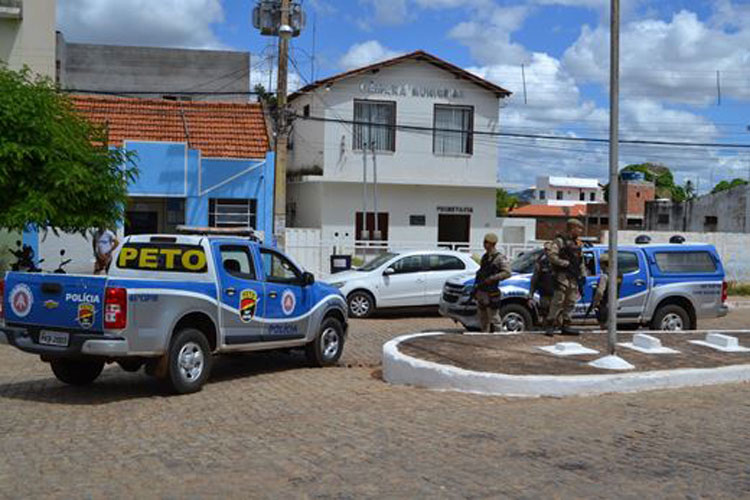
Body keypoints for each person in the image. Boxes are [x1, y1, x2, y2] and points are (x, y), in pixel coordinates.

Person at [545, 219, 587, 336]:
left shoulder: (577, 243)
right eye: (578, 228)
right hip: (562, 276)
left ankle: (566, 325)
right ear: (572, 228)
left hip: (574, 277)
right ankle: (550, 325)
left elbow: (581, 261)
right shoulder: (559, 241)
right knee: (558, 301)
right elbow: (552, 256)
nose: (580, 231)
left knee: (571, 301)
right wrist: (565, 263)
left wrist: (583, 274)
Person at [473, 233, 512, 333]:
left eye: (486, 242)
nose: (484, 244)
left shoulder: (499, 258)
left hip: (491, 291)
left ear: (492, 244)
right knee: (482, 317)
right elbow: (481, 272)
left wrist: (493, 278)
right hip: (482, 291)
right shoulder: (485, 257)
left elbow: (507, 272)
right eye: (484, 242)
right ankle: (484, 335)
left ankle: (498, 337)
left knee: (494, 318)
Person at [589, 253, 622, 330]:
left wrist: (595, 303)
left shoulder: (604, 276)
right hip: (615, 302)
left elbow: (600, 292)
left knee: (604, 327)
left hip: (605, 304)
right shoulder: (619, 274)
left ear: (603, 264)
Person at [528, 242, 555, 329]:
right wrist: (530, 295)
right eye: (546, 250)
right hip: (544, 294)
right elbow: (534, 280)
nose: (547, 252)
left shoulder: (558, 263)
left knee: (557, 316)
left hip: (556, 294)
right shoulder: (541, 263)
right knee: (545, 315)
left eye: (549, 249)